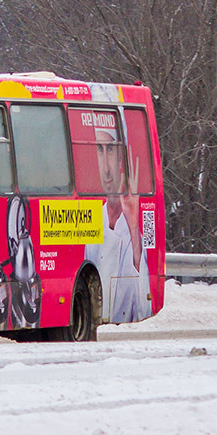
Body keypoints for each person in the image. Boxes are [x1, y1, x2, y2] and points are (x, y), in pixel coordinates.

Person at [84, 126, 151, 323]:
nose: (105, 167)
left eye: (111, 149)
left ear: (121, 158)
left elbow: (143, 307)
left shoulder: (134, 227)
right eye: (99, 149)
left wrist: (132, 225)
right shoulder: (93, 223)